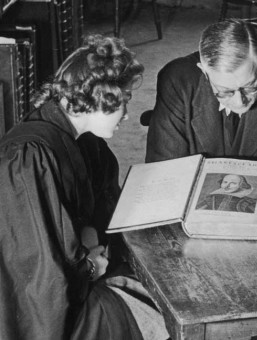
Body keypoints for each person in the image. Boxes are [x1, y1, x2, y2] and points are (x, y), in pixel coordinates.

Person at [0, 35, 168, 339]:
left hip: (81, 269)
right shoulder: (28, 157)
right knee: (141, 314)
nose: (128, 115)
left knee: (162, 291)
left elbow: (96, 212)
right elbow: (38, 273)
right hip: (40, 306)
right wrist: (90, 267)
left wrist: (91, 242)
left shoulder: (88, 144)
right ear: (99, 99)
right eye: (125, 102)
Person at [144, 18, 257, 163]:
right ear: (204, 72)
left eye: (250, 86)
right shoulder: (177, 80)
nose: (239, 101)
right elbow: (163, 164)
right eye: (224, 91)